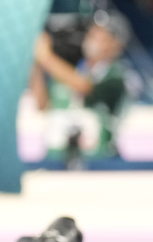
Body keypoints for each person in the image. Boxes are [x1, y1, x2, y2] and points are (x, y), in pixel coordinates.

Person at [31, 13, 130, 157]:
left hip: (98, 162)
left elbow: (86, 87)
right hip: (57, 158)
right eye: (92, 32)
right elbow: (42, 104)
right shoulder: (71, 71)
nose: (91, 37)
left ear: (116, 44)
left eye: (100, 35)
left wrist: (46, 57)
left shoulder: (116, 76)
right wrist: (36, 64)